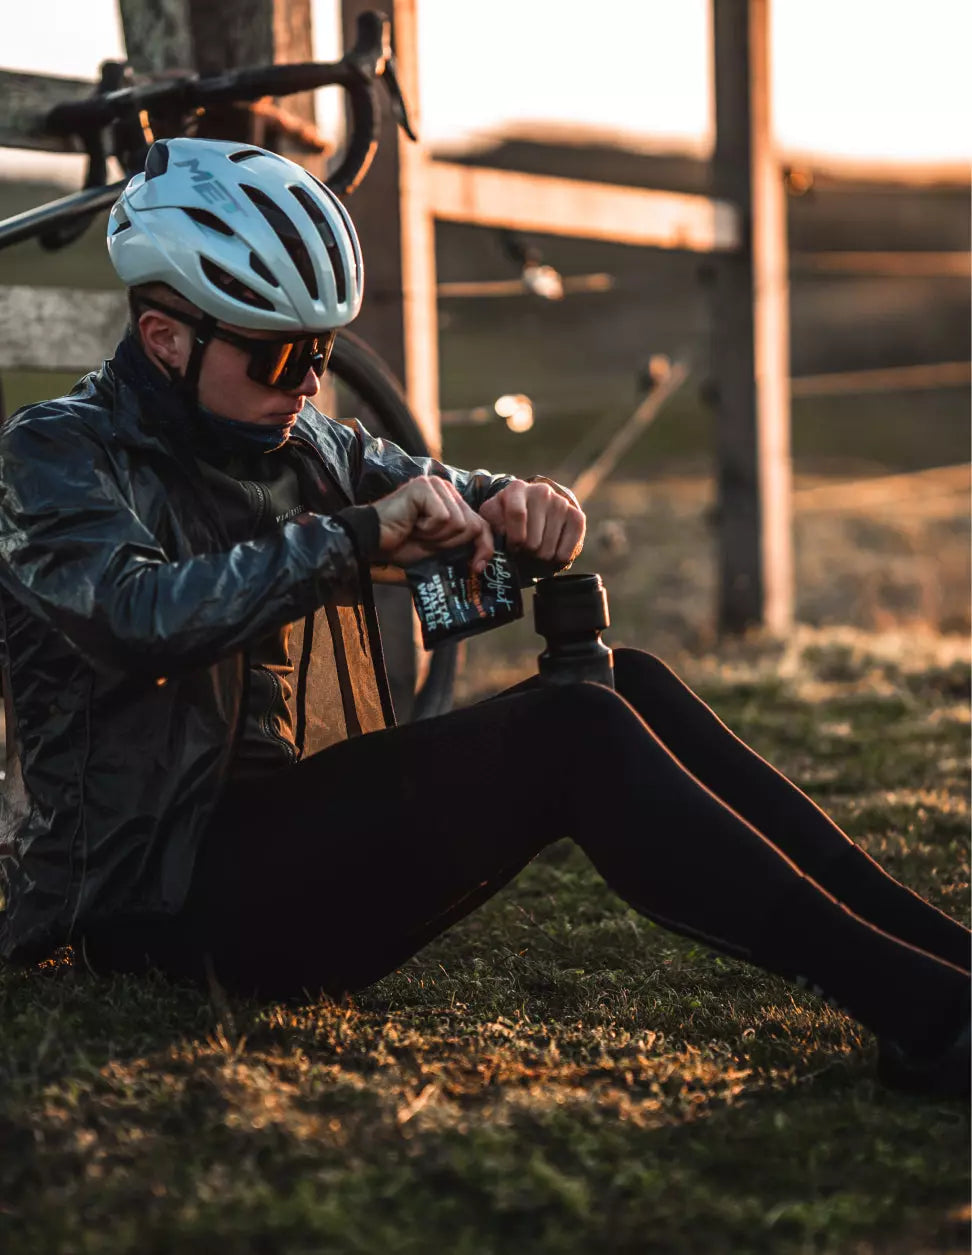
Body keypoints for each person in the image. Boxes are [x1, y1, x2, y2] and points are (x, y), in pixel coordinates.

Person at [0, 138, 966, 1099]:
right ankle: (928, 1019)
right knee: (573, 730)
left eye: (323, 353)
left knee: (628, 679)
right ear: (168, 338)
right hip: (149, 900)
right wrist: (350, 541)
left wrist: (523, 505)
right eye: (281, 355)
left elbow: (446, 487)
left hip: (288, 840)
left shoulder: (304, 444)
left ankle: (947, 964)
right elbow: (132, 615)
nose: (306, 382)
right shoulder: (55, 454)